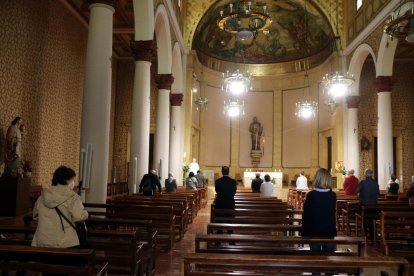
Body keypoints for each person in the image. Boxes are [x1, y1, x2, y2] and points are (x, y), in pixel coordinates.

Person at [32, 166, 88, 248]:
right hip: (65, 242)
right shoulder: (73, 197)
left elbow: (35, 215)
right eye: (72, 180)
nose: (73, 182)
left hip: (43, 241)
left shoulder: (42, 197)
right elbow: (79, 217)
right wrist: (85, 213)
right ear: (66, 180)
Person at [301, 168, 336, 253]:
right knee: (329, 256)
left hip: (314, 231)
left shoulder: (311, 195)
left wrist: (304, 232)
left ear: (317, 179)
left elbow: (306, 214)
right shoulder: (332, 195)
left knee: (315, 255)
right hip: (328, 231)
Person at [356, 169, 379, 243]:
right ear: (371, 175)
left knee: (364, 220)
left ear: (365, 175)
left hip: (364, 206)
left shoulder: (362, 183)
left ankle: (365, 236)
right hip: (373, 206)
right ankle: (372, 237)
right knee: (372, 220)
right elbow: (377, 193)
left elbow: (356, 191)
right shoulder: (376, 183)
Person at [215, 166, 237, 236]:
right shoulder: (233, 181)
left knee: (219, 220)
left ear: (222, 172)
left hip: (220, 203)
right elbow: (234, 192)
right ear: (228, 172)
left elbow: (217, 191)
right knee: (230, 219)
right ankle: (230, 233)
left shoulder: (217, 181)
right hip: (230, 203)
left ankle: (219, 234)